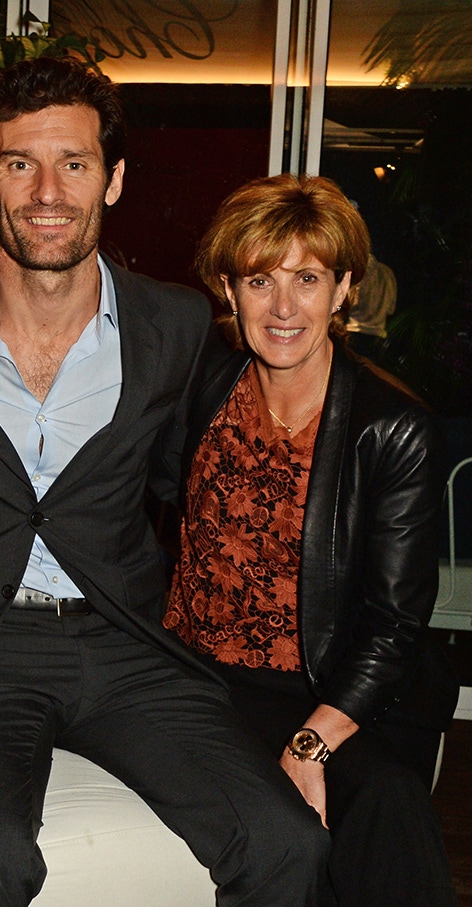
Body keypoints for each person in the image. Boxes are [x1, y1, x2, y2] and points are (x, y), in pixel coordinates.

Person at [0, 56, 330, 907]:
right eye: (21, 164)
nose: (48, 192)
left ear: (113, 180)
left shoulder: (177, 324)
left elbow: (212, 466)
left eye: (75, 164)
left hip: (124, 641)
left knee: (284, 843)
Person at [164, 173, 459, 906]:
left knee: (387, 807)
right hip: (199, 679)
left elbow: (394, 624)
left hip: (331, 686)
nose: (285, 306)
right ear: (229, 292)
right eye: (261, 279)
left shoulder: (393, 428)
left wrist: (311, 741)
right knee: (281, 832)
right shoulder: (200, 383)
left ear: (344, 288)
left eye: (308, 277)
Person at [344, 251, 397, 362]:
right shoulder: (387, 273)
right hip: (378, 336)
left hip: (355, 333)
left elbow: (352, 303)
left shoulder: (360, 273)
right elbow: (391, 309)